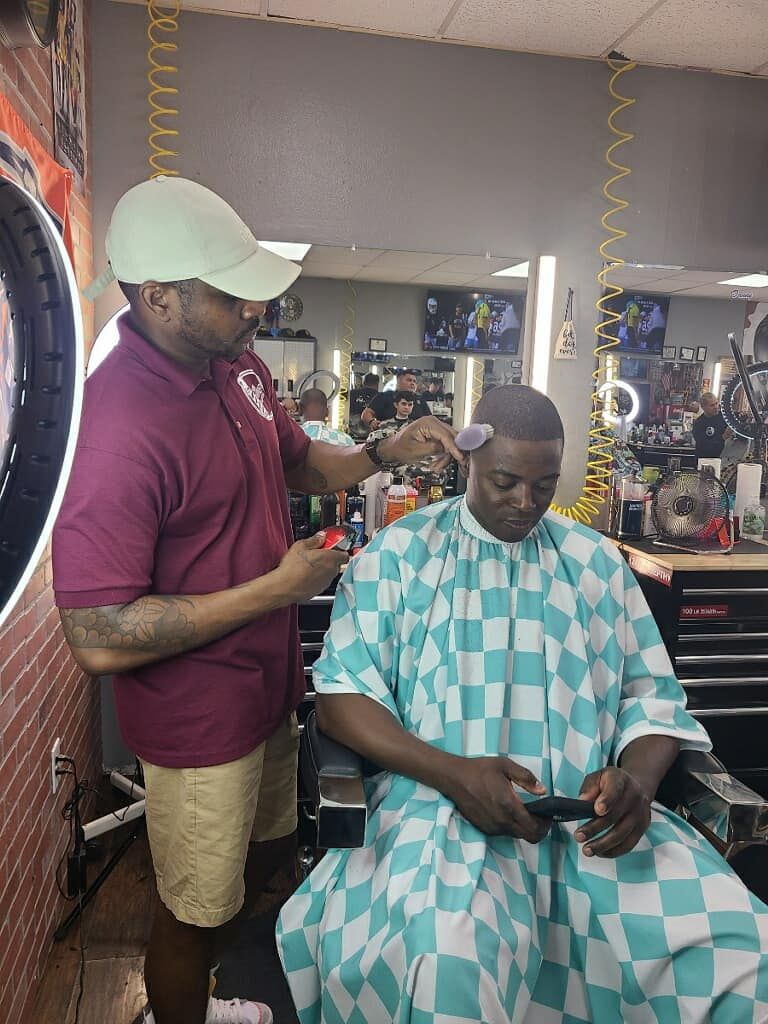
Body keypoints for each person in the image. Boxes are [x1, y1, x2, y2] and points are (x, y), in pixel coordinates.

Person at [51, 176, 463, 1024]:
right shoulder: (116, 429)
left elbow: (299, 461)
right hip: (199, 722)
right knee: (191, 916)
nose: (256, 308)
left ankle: (210, 1001)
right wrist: (277, 589)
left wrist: (386, 449)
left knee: (268, 854)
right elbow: (94, 634)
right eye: (231, 291)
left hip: (268, 686)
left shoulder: (233, 364)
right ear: (159, 296)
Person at [277, 384, 768, 1023]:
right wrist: (453, 774)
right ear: (468, 458)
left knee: (743, 954)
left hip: (589, 830)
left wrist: (636, 783)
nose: (526, 502)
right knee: (448, 954)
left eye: (544, 485)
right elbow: (342, 698)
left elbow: (652, 698)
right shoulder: (401, 556)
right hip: (440, 820)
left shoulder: (595, 562)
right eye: (506, 481)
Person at [361, 369, 430, 430]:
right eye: (409, 380)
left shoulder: (420, 400)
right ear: (398, 380)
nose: (413, 383)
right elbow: (366, 413)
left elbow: (430, 419)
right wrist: (371, 422)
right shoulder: (384, 397)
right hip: (388, 435)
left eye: (414, 381)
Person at [693, 391, 732, 459]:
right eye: (712, 405)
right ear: (703, 407)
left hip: (723, 459)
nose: (716, 407)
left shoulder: (725, 418)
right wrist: (723, 437)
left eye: (716, 403)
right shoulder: (699, 423)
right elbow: (704, 447)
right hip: (705, 461)